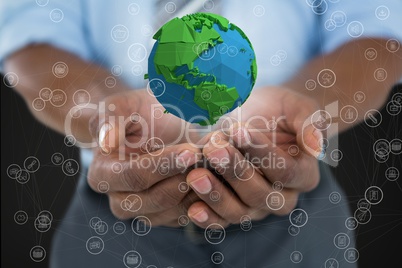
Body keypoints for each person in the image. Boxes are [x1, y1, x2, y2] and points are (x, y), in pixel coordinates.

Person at [1, 0, 401, 267]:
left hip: (300, 216)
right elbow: (27, 36)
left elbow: (379, 28)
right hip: (112, 217)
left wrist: (302, 109)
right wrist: (106, 118)